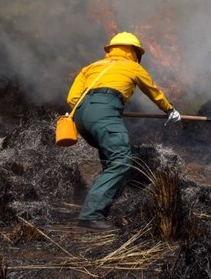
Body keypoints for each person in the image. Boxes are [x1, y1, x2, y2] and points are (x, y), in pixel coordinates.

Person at [67, 32, 180, 231]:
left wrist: (95, 110)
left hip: (81, 115)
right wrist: (169, 110)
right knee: (120, 161)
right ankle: (91, 215)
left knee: (111, 160)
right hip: (104, 112)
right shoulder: (133, 67)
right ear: (134, 52)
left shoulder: (92, 67)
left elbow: (72, 99)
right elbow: (153, 91)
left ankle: (104, 204)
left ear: (111, 49)